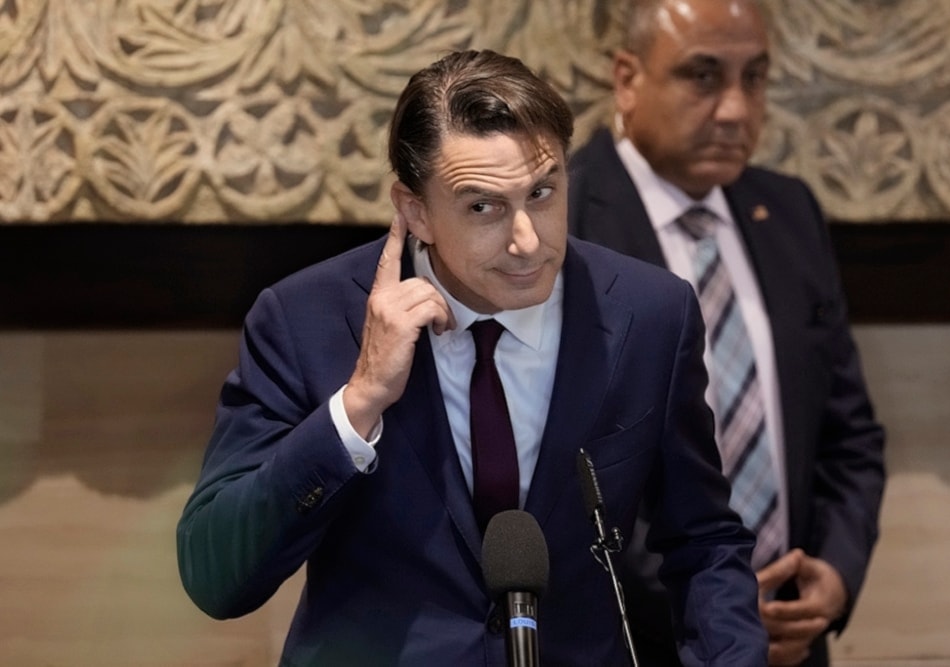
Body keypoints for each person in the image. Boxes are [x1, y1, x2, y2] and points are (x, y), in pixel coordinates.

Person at [176, 48, 767, 665]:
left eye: (543, 192)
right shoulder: (306, 320)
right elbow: (217, 578)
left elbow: (703, 541)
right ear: (415, 211)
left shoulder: (651, 315)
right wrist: (356, 407)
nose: (527, 240)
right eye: (483, 207)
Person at [567, 1, 886, 666]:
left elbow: (849, 436)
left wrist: (834, 572)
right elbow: (559, 473)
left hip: (793, 640)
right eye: (703, 77)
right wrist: (723, 608)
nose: (737, 111)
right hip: (633, 643)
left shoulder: (790, 213)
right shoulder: (559, 223)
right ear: (627, 79)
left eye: (756, 78)